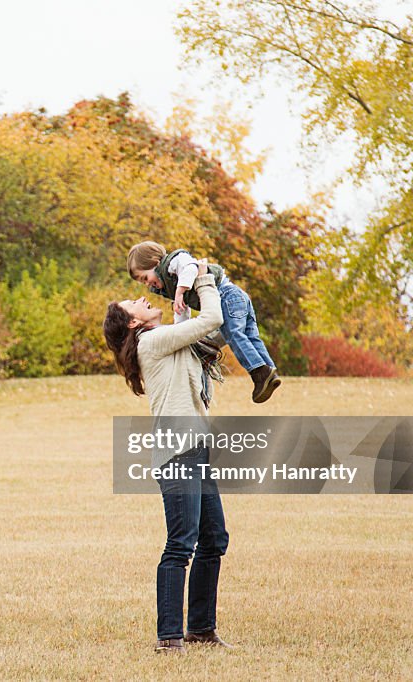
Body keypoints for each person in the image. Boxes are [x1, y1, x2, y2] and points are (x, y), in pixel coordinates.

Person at [103, 260, 234, 653]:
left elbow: (186, 321)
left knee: (214, 538)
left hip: (194, 450)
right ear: (132, 324)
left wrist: (181, 292)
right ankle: (168, 638)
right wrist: (205, 276)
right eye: (134, 303)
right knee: (181, 544)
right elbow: (211, 317)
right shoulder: (151, 342)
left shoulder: (161, 338)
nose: (143, 298)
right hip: (177, 456)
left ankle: (200, 630)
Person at [126, 240, 281, 404]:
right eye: (143, 282)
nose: (147, 283)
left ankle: (259, 372)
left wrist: (179, 292)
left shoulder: (173, 262)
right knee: (250, 336)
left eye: (145, 277)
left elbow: (192, 268)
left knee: (234, 334)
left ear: (155, 263)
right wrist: (181, 333)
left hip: (227, 296)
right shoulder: (169, 283)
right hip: (234, 297)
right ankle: (269, 372)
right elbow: (182, 308)